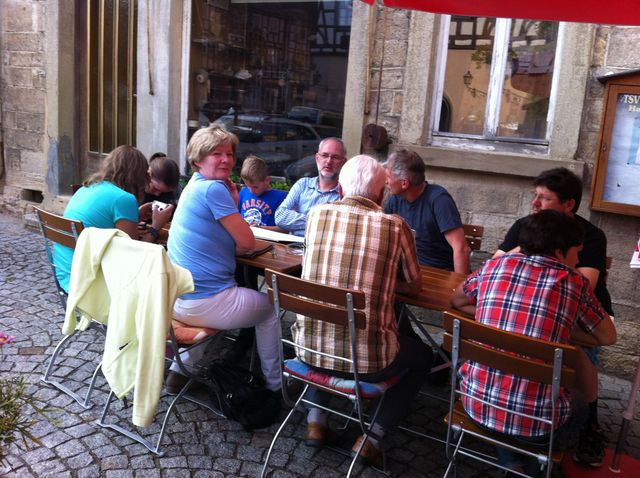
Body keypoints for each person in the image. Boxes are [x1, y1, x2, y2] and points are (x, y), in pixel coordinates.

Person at [452, 210, 616, 475]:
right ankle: (532, 467)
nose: (578, 260)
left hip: (474, 407)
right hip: (540, 430)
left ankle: (510, 463)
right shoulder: (574, 282)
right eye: (577, 252)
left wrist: (487, 315)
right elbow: (608, 336)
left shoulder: (494, 266)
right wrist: (560, 329)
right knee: (583, 405)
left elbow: (457, 301)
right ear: (560, 252)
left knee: (504, 392)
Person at [293, 154, 433, 466]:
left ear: (341, 189)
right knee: (423, 356)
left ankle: (316, 421)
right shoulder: (395, 226)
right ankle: (372, 438)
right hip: (369, 363)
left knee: (325, 321)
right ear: (382, 194)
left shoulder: (316, 215)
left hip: (306, 350)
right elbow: (414, 286)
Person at [494, 167, 613, 467]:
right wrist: (531, 244)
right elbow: (495, 265)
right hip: (532, 309)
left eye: (544, 198)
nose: (534, 204)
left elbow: (584, 287)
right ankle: (516, 418)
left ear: (569, 204)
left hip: (581, 319)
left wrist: (535, 260)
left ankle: (590, 425)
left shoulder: (590, 236)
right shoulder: (526, 226)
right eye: (535, 196)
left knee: (578, 356)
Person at [166, 125, 281, 395]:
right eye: (216, 154)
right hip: (203, 302)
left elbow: (220, 238)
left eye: (229, 154)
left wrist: (232, 202)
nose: (226, 160)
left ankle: (179, 373)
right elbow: (247, 243)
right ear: (198, 160)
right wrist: (233, 200)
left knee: (226, 301)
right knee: (271, 309)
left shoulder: (193, 185)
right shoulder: (214, 189)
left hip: (177, 298)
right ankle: (275, 385)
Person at [53, 145, 174, 292]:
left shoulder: (85, 189)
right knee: (163, 278)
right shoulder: (124, 199)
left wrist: (135, 214)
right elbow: (134, 256)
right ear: (138, 174)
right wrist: (155, 227)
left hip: (65, 275)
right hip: (90, 283)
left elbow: (104, 219)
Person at [384, 149, 470, 274]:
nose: (386, 181)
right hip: (409, 272)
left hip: (440, 273)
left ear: (404, 183)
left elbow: (461, 248)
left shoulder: (439, 200)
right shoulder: (395, 200)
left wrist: (459, 284)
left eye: (388, 177)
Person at [274, 137, 346, 236]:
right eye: (324, 155)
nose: (329, 161)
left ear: (343, 162)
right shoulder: (303, 185)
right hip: (293, 244)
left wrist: (296, 219)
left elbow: (339, 228)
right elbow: (280, 216)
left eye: (335, 157)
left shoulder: (345, 195)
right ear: (317, 158)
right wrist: (321, 222)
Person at [238, 155, 287, 231]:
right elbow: (236, 217)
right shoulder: (244, 192)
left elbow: (285, 229)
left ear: (267, 180)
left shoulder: (280, 197)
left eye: (255, 187)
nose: (251, 190)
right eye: (248, 186)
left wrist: (260, 229)